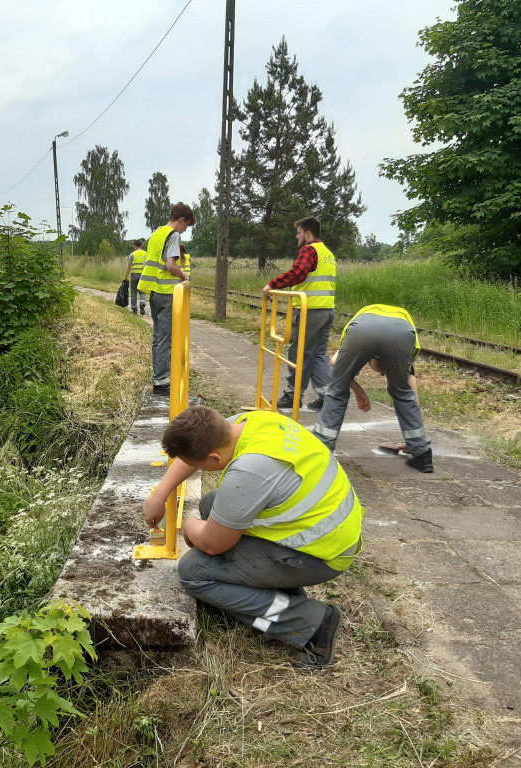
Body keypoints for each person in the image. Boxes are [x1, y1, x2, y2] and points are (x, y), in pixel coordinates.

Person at [143, 406, 363, 669]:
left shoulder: (250, 471)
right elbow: (191, 454)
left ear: (213, 458)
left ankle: (311, 623)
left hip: (320, 554)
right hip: (328, 530)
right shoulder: (250, 422)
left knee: (194, 571)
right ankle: (279, 589)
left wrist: (188, 526)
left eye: (197, 465)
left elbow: (212, 544)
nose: (193, 467)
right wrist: (160, 494)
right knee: (213, 504)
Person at [312, 304, 433, 473]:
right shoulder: (407, 346)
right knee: (402, 392)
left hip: (363, 329)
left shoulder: (363, 332)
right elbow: (409, 394)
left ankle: (322, 449)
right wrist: (416, 441)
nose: (384, 374)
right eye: (383, 370)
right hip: (402, 332)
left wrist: (356, 389)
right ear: (370, 359)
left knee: (337, 390)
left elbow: (335, 366)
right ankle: (423, 456)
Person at [264, 217, 336, 413]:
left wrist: (272, 284)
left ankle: (291, 395)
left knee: (299, 354)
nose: (296, 236)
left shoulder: (309, 250)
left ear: (308, 234)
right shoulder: (327, 253)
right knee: (318, 354)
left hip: (309, 311)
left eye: (298, 232)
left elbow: (299, 272)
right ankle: (328, 395)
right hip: (327, 310)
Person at [138, 203, 195, 396]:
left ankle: (158, 377)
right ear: (181, 220)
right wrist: (184, 277)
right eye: (186, 226)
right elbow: (171, 265)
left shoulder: (156, 234)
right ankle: (162, 382)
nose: (184, 230)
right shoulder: (173, 235)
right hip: (167, 292)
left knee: (157, 337)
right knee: (165, 337)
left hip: (154, 291)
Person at [122, 239, 148, 315]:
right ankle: (142, 303)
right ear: (141, 245)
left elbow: (129, 267)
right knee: (142, 291)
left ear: (135, 246)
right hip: (143, 275)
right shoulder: (146, 254)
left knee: (134, 292)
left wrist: (125, 277)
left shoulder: (132, 254)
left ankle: (134, 309)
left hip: (134, 275)